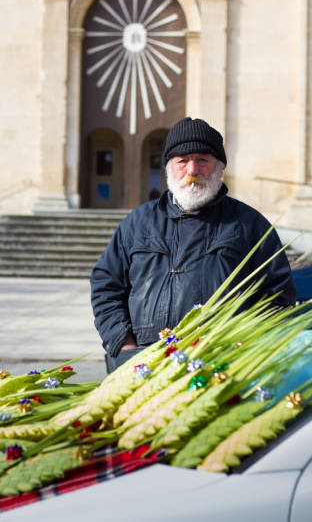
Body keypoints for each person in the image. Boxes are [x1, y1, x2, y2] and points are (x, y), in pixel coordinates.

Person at [90, 117, 297, 371]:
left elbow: (277, 297)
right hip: (141, 364)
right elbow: (106, 286)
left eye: (202, 160)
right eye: (182, 161)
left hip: (222, 366)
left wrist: (246, 349)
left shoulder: (250, 225)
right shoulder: (137, 223)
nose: (192, 170)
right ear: (169, 168)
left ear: (220, 169)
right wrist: (124, 344)